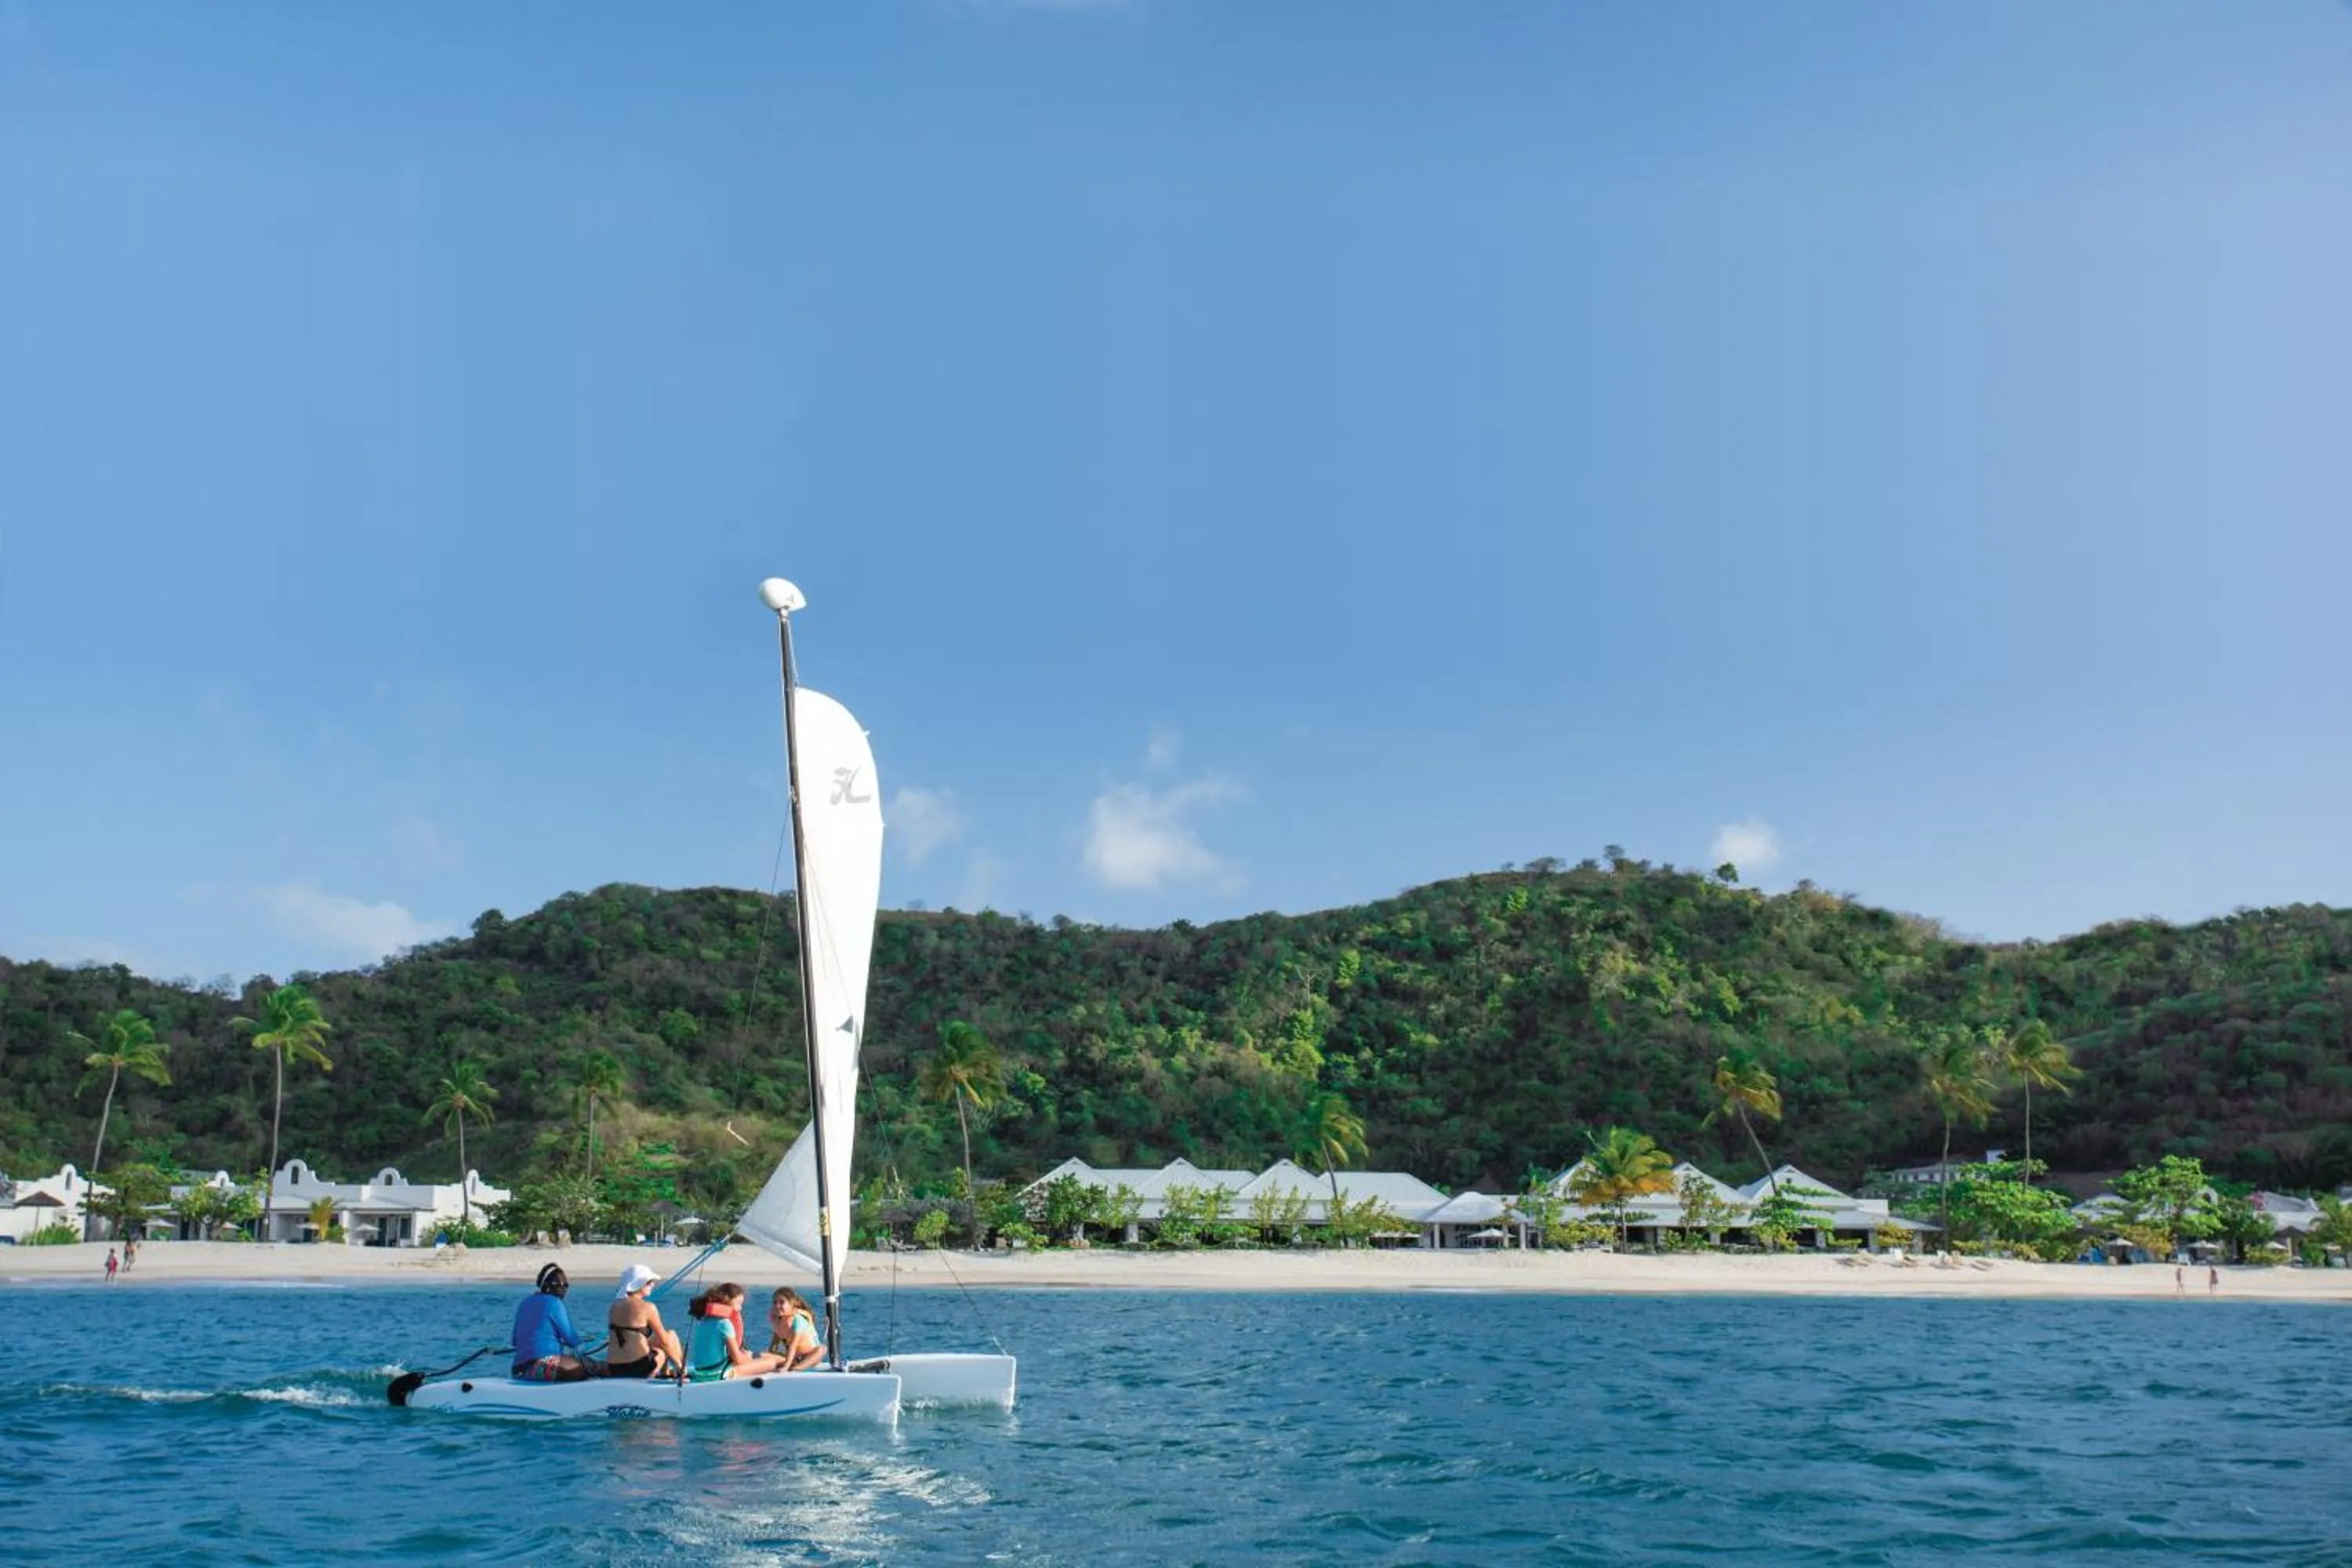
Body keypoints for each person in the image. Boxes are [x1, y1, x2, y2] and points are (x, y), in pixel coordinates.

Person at [512, 1264, 598, 1381]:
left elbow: (515, 1341)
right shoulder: (555, 1303)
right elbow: (572, 1340)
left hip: (518, 1370)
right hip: (539, 1368)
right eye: (558, 1284)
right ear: (546, 1286)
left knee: (577, 1363)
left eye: (566, 1285)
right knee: (589, 1366)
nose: (563, 1288)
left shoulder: (525, 1302)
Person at [607, 1264, 681, 1379]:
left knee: (670, 1334)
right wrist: (678, 1363)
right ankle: (677, 1373)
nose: (653, 1284)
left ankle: (666, 1373)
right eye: (649, 1282)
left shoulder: (614, 1306)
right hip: (637, 1367)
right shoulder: (648, 1307)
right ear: (638, 1284)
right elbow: (665, 1341)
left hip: (614, 1368)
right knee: (663, 1349)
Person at [684, 1283, 758, 1381]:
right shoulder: (724, 1324)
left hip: (701, 1373)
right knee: (770, 1362)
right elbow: (738, 1361)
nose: (741, 1308)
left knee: (761, 1356)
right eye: (739, 1304)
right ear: (727, 1301)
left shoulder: (706, 1320)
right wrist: (747, 1358)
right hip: (717, 1375)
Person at [764, 1287, 825, 1372]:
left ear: (792, 1304)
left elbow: (794, 1345)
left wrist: (786, 1366)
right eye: (775, 1303)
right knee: (763, 1355)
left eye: (782, 1302)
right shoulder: (778, 1319)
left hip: (810, 1356)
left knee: (822, 1349)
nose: (777, 1306)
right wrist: (770, 1353)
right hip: (793, 1357)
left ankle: (798, 1368)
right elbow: (776, 1337)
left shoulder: (798, 1319)